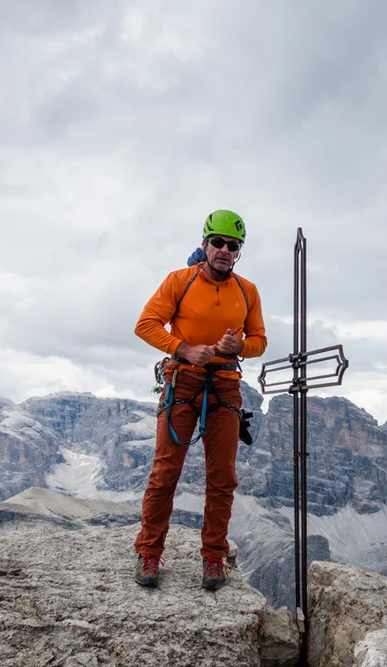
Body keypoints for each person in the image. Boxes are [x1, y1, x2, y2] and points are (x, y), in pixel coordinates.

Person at [131, 209, 267, 590]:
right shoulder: (179, 281)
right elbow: (146, 324)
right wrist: (184, 349)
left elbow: (259, 340)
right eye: (218, 242)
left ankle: (213, 558)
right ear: (205, 244)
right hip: (183, 381)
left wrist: (240, 345)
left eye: (233, 245)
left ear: (238, 251)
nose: (225, 250)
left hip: (225, 386)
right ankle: (149, 552)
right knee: (164, 473)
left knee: (222, 478)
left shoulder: (248, 291)